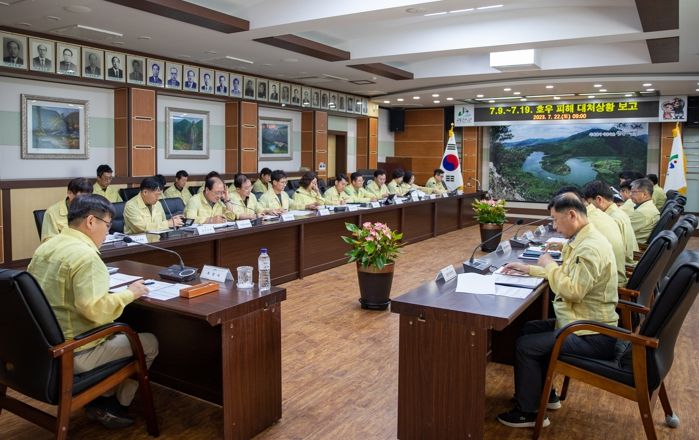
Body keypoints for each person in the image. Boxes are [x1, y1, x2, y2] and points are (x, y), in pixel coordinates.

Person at [27, 194, 158, 429]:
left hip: (41, 347)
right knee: (149, 342)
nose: (108, 232)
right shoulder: (86, 257)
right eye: (107, 225)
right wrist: (131, 293)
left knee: (123, 331)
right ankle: (113, 405)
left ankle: (102, 396)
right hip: (75, 352)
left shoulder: (45, 247)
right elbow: (94, 311)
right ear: (90, 221)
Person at [497, 194, 618, 428]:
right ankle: (544, 395)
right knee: (529, 328)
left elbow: (573, 290)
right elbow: (566, 275)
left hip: (592, 334)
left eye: (555, 219)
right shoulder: (584, 238)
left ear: (571, 215)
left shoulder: (590, 247)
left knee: (526, 346)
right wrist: (528, 269)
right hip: (581, 322)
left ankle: (530, 413)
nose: (553, 226)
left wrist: (549, 265)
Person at [556, 187, 626, 287]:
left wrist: (549, 266)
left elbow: (574, 290)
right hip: (610, 276)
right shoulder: (599, 214)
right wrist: (564, 246)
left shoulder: (589, 222)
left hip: (608, 284)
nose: (555, 227)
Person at [583, 180, 638, 267]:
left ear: (599, 199)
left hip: (624, 266)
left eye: (590, 204)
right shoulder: (618, 212)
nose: (589, 208)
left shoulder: (610, 219)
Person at [41, 178, 93, 243]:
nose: (84, 201)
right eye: (81, 197)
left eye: (88, 198)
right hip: (65, 247)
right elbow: (48, 241)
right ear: (69, 193)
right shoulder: (52, 212)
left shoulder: (92, 209)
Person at [628, 178, 660, 245]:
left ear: (644, 194)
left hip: (635, 247)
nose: (630, 194)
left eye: (633, 192)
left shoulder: (642, 212)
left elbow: (622, 230)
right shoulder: (648, 207)